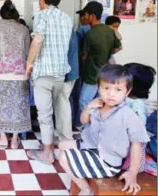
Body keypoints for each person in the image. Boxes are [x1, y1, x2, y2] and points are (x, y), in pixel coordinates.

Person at [58, 64, 150, 196]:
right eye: (106, 88)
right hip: (92, 146)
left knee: (63, 157)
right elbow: (84, 120)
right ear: (99, 88)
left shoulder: (129, 116)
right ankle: (80, 171)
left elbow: (137, 146)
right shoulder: (98, 104)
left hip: (108, 160)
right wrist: (88, 107)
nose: (111, 94)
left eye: (118, 90)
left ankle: (85, 189)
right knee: (62, 144)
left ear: (127, 92)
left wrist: (132, 173)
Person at [25, 0, 73, 164]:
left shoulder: (41, 15)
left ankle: (47, 154)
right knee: (54, 112)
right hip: (60, 74)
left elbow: (37, 40)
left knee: (44, 115)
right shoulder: (67, 18)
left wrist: (29, 64)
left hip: (43, 74)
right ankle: (53, 146)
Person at [0, 0, 31, 149]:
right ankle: (14, 139)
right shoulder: (24, 29)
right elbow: (27, 53)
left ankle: (3, 138)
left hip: (2, 73)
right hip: (20, 73)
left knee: (0, 104)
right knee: (18, 106)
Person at [79, 1, 122, 121]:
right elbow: (118, 47)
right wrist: (107, 54)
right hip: (106, 73)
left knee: (84, 101)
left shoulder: (90, 33)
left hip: (92, 74)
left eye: (86, 15)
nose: (84, 17)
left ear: (92, 16)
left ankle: (87, 127)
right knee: (102, 102)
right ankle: (101, 126)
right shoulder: (109, 30)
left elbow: (84, 56)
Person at [54, 28, 79, 141]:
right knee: (60, 103)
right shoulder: (68, 28)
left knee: (63, 102)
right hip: (70, 70)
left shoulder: (62, 30)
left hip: (66, 72)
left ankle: (66, 135)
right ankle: (60, 131)